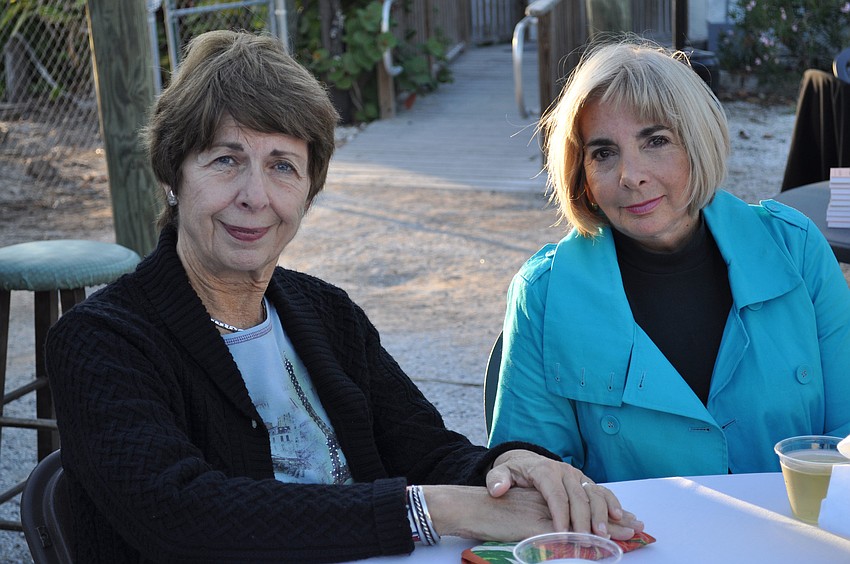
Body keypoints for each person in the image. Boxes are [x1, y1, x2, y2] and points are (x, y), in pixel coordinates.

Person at [44, 31, 642, 563]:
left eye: (283, 166)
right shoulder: (100, 340)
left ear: (308, 191)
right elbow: (179, 517)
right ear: (173, 177)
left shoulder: (325, 314)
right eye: (226, 160)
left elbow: (427, 449)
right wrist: (438, 510)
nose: (255, 195)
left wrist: (506, 468)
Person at [488, 38, 850, 484]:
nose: (631, 175)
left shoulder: (796, 249)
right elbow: (535, 477)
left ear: (698, 144)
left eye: (656, 140)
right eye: (603, 153)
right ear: (580, 173)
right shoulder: (543, 293)